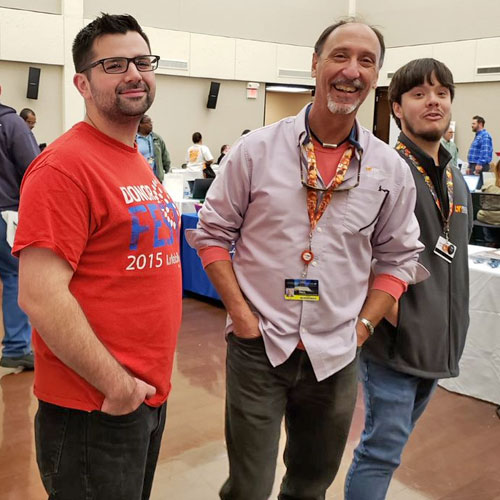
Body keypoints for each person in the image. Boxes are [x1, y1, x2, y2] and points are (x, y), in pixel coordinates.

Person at [187, 19, 427, 500]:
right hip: (259, 346)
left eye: (366, 60)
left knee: (311, 483)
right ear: (315, 64)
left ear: (377, 75)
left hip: (335, 353)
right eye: (340, 56)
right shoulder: (256, 150)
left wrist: (362, 326)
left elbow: (399, 258)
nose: (352, 71)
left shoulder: (391, 169)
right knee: (249, 486)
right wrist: (240, 314)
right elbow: (212, 234)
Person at [13, 14, 182, 500]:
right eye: (114, 64)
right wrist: (117, 386)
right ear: (82, 83)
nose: (134, 72)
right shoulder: (64, 168)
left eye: (142, 60)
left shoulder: (132, 156)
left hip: (143, 398)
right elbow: (40, 296)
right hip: (95, 406)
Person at [345, 58, 473, 500]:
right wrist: (396, 318)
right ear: (397, 108)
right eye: (419, 94)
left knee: (388, 447)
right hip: (394, 347)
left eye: (441, 93)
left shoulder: (455, 177)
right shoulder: (384, 171)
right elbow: (355, 255)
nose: (432, 102)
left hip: (435, 344)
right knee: (381, 451)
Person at [0, 87, 39, 370]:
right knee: (14, 277)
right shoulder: (11, 124)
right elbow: (34, 170)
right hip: (5, 215)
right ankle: (15, 349)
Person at [136, 114, 171, 182]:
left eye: (151, 122)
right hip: (140, 177)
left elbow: (165, 156)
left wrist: (166, 170)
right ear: (140, 124)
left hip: (156, 178)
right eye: (148, 122)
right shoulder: (133, 140)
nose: (151, 124)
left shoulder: (157, 138)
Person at [477, 160, 500, 247]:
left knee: (488, 217)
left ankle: (489, 242)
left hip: (486, 218)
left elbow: (481, 202)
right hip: (498, 220)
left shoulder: (488, 182)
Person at [467, 115, 493, 182]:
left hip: (479, 166)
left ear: (480, 124)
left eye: (474, 123)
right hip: (474, 165)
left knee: (478, 189)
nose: (472, 125)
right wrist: (469, 166)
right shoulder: (478, 136)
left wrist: (480, 164)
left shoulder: (485, 135)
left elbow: (485, 151)